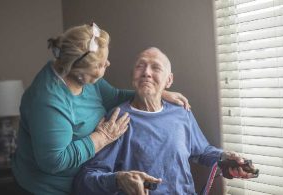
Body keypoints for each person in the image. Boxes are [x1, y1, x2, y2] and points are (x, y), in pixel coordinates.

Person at [11, 24, 190, 195]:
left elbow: (114, 96)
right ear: (79, 70)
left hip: (83, 182)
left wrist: (157, 93)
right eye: (101, 64)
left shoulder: (84, 79)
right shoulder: (48, 101)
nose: (108, 64)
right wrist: (101, 138)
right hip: (47, 189)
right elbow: (54, 161)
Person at [73, 47, 256, 195]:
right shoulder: (118, 119)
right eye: (140, 66)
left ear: (169, 80)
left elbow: (201, 151)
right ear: (132, 76)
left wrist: (225, 158)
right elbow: (87, 179)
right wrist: (119, 179)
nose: (146, 72)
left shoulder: (181, 113)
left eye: (156, 68)